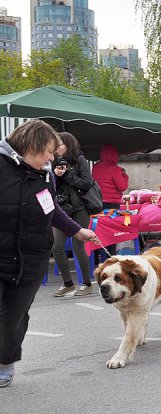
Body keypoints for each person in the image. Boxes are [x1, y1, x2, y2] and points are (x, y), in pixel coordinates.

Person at [0, 119, 98, 388]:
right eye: (48, 152)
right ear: (32, 145)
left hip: (32, 257)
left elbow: (51, 208)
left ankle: (4, 365)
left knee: (15, 317)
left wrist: (78, 231)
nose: (51, 158)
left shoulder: (46, 174)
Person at [51, 132, 95, 297]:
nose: (57, 148)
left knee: (78, 246)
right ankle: (68, 284)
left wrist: (67, 174)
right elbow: (54, 187)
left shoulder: (80, 160)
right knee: (57, 247)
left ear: (68, 145)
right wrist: (56, 175)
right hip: (63, 209)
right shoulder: (55, 162)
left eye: (60, 144)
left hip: (80, 209)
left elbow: (86, 183)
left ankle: (86, 283)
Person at [91, 144, 128, 256]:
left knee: (99, 230)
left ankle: (96, 254)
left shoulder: (95, 168)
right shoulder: (116, 170)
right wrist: (125, 176)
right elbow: (122, 187)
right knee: (110, 232)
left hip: (96, 202)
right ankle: (110, 256)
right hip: (112, 204)